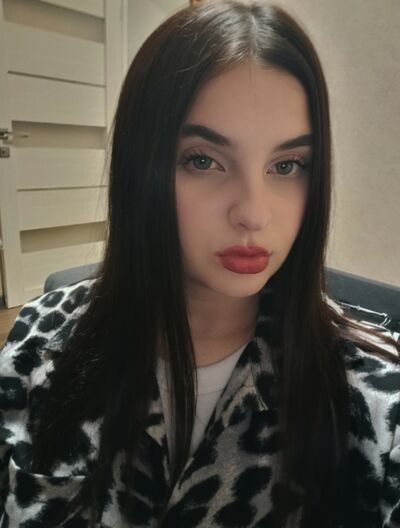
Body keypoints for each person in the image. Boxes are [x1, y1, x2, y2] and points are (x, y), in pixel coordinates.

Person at [0, 1, 399, 527]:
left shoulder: (372, 396)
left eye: (287, 165)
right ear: (142, 167)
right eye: (203, 160)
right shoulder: (40, 342)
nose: (253, 213)